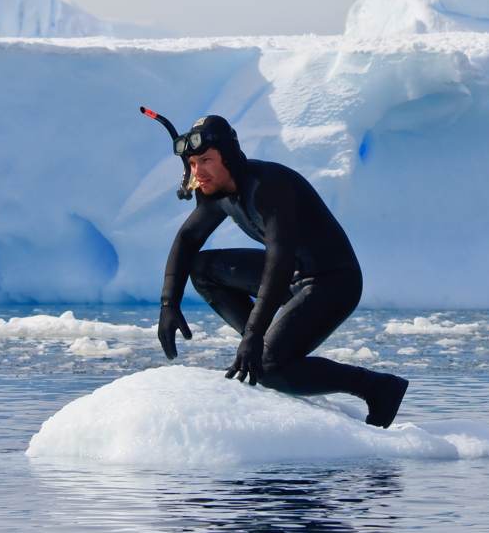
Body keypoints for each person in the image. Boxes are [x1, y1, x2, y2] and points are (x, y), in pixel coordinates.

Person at [156, 115, 409, 428]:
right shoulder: (215, 194)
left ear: (229, 156)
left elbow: (280, 259)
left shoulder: (268, 186)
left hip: (332, 282)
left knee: (270, 368)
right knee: (202, 268)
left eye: (206, 160)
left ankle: (377, 387)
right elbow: (187, 238)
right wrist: (169, 303)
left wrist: (253, 334)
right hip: (291, 277)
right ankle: (263, 350)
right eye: (192, 164)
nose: (198, 172)